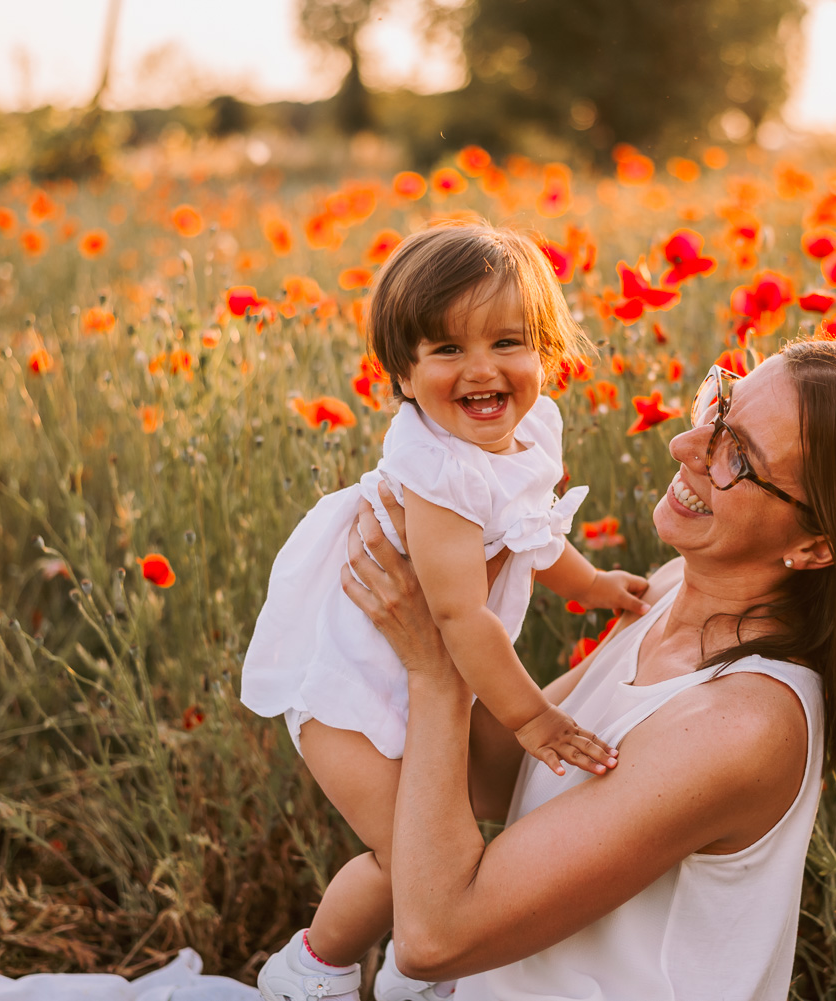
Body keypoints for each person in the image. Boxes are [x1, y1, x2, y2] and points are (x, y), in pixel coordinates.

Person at [338, 340, 836, 1000]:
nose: (687, 446)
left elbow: (434, 939)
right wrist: (458, 584)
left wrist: (436, 667)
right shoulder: (672, 589)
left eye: (738, 457)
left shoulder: (744, 721)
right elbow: (493, 776)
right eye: (719, 405)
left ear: (816, 546)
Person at [240, 223, 651, 1001]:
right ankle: (311, 968)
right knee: (407, 851)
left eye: (508, 341)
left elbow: (531, 531)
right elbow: (459, 619)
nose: (483, 369)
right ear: (401, 371)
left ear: (549, 352)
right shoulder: (435, 472)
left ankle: (411, 967)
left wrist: (592, 584)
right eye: (447, 350)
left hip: (424, 674)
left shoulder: (525, 431)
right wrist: (531, 718)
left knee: (457, 833)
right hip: (346, 688)